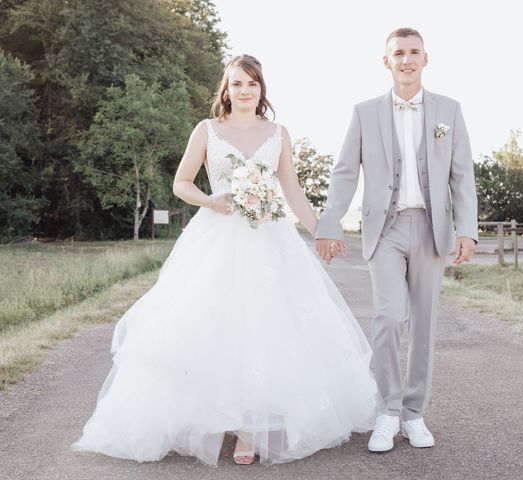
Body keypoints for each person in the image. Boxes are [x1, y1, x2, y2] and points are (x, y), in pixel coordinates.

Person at [71, 54, 378, 466]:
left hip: (269, 239)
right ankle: (212, 418)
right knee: (212, 325)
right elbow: (180, 183)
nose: (245, 90)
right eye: (236, 83)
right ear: (226, 90)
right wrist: (210, 201)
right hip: (216, 236)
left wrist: (324, 231)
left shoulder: (279, 133)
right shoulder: (207, 130)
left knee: (264, 326)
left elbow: (293, 193)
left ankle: (251, 428)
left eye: (251, 83)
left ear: (261, 89)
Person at [316, 28, 478, 453]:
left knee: (423, 323)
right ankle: (387, 412)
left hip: (432, 229)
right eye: (398, 53)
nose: (406, 60)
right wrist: (330, 221)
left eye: (413, 53)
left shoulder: (449, 110)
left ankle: (415, 413)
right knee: (389, 318)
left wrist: (468, 228)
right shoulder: (365, 112)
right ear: (385, 61)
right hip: (384, 230)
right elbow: (345, 172)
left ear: (426, 58)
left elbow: (462, 175)